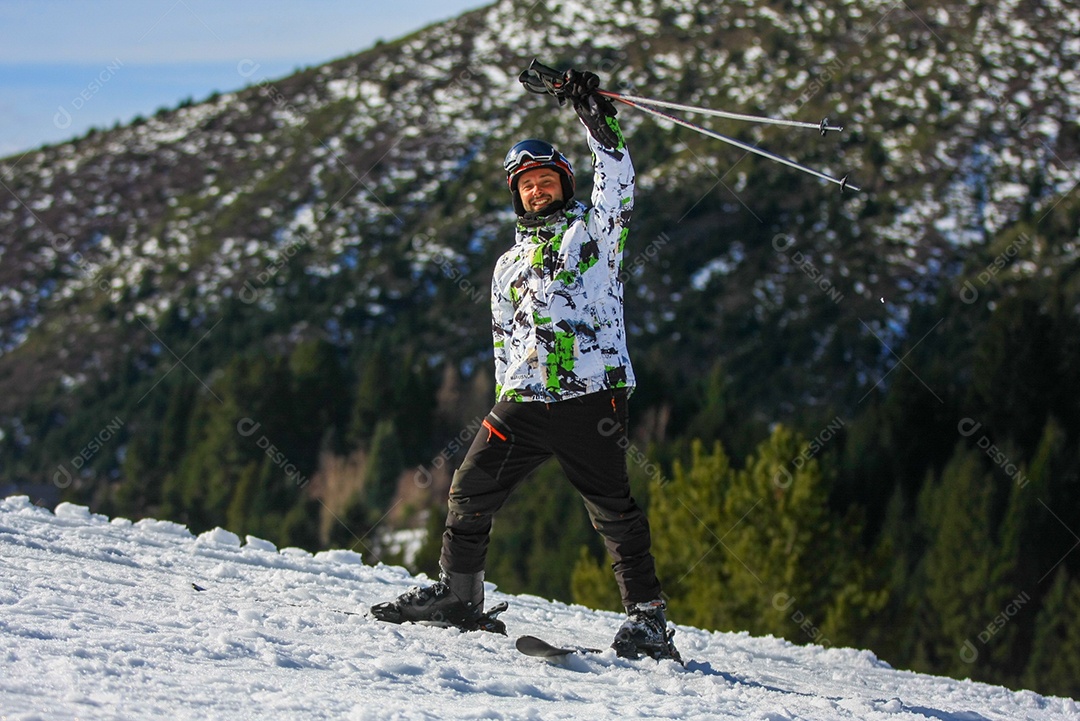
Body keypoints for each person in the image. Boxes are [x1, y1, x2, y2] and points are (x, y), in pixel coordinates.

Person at [372, 68, 679, 661]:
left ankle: (649, 623)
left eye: (545, 180)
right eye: (526, 185)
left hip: (590, 396)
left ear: (564, 183)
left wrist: (593, 116)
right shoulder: (507, 265)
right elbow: (502, 341)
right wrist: (504, 393)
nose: (536, 191)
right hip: (524, 399)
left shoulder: (595, 233)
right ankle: (460, 599)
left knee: (612, 510)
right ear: (516, 196)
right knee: (468, 490)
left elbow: (617, 178)